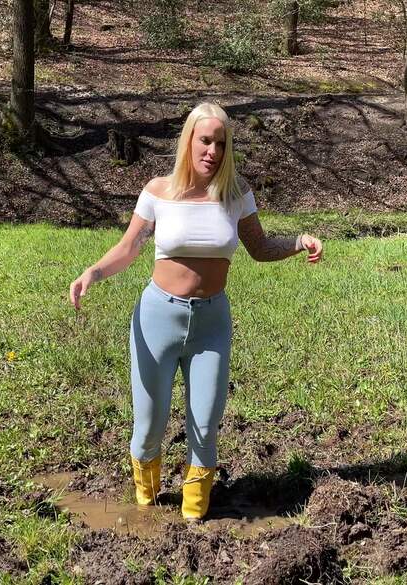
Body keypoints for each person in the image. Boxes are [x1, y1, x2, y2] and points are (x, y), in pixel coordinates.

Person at [68, 102, 323, 522]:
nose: (213, 151)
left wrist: (299, 242)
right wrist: (92, 273)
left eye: (221, 144)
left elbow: (260, 248)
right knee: (149, 426)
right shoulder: (159, 191)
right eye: (205, 141)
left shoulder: (236, 193)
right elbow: (129, 248)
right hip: (157, 320)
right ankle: (146, 508)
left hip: (211, 325)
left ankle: (194, 516)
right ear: (188, 140)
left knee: (205, 424)